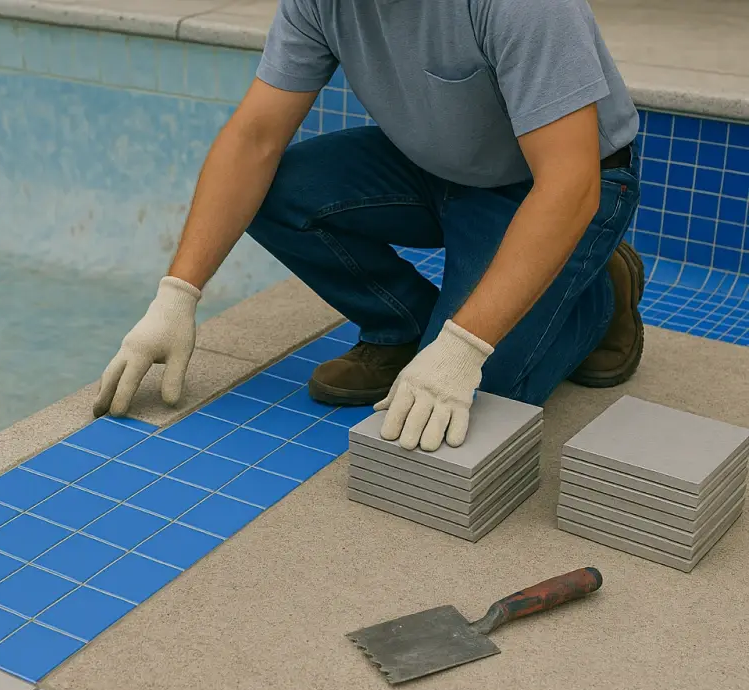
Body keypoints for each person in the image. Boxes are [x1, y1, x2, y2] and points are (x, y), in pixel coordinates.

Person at [94, 0, 643, 453]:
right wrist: (177, 296)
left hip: (555, 185)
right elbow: (254, 140)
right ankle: (402, 328)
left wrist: (463, 349)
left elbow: (569, 187)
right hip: (434, 168)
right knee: (277, 192)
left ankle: (599, 293)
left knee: (487, 390)